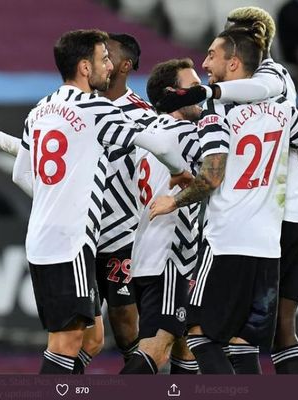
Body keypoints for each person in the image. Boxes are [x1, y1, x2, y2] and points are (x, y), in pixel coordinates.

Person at [159, 6, 298, 374]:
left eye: (219, 46)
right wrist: (292, 173)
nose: (206, 59)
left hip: (267, 220)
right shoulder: (274, 107)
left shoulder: (266, 79)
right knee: (271, 333)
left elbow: (215, 170)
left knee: (208, 333)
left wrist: (206, 92)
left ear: (240, 49)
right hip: (287, 216)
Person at [14, 29, 190, 374]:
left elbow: (22, 174)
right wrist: (182, 172)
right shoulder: (97, 108)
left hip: (40, 238)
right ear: (84, 67)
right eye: (102, 59)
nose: (108, 65)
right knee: (66, 342)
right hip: (74, 241)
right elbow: (159, 143)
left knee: (86, 339)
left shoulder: (40, 109)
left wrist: (55, 197)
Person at [120, 58, 203, 375]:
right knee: (156, 349)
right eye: (194, 88)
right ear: (173, 93)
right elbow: (219, 173)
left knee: (188, 347)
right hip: (170, 258)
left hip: (148, 254)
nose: (202, 94)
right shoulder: (185, 134)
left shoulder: (148, 131)